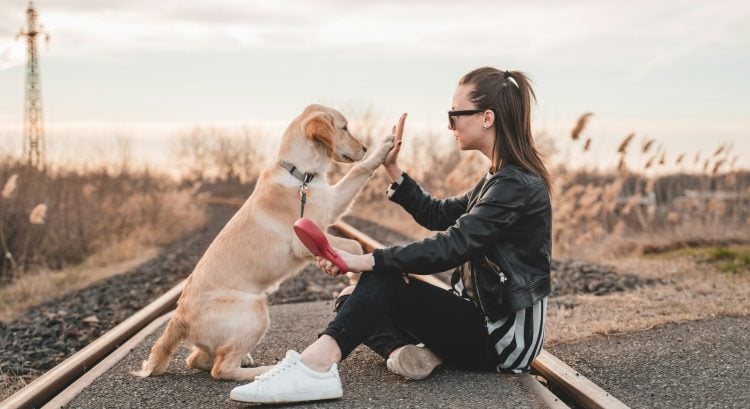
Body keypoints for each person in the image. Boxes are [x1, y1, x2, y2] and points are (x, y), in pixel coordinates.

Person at [230, 66, 553, 404]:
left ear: (487, 118)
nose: (449, 124)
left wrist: (366, 260)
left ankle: (315, 366)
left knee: (380, 280)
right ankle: (405, 353)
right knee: (350, 299)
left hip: (502, 339)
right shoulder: (498, 178)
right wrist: (392, 168)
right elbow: (438, 214)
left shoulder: (514, 185)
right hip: (479, 320)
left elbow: (452, 246)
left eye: (455, 114)